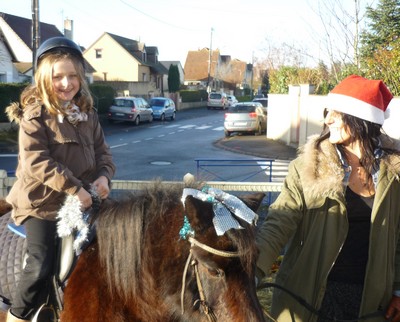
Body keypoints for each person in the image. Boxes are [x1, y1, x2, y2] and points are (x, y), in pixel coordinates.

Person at [256, 75, 400, 322]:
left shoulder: (394, 174)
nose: (327, 119)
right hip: (310, 301)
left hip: (372, 303)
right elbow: (279, 222)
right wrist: (251, 272)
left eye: (337, 113)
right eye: (327, 111)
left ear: (361, 120)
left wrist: (398, 290)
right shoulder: (308, 168)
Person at [5, 37, 115, 322]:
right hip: (41, 204)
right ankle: (18, 315)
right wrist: (75, 188)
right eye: (58, 77)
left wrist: (104, 177)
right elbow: (36, 161)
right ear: (44, 77)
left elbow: (104, 153)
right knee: (40, 264)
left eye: (72, 76)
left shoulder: (88, 115)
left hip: (85, 200)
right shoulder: (35, 116)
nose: (67, 83)